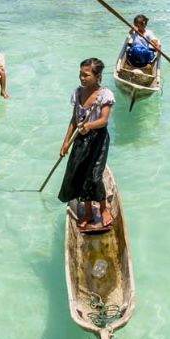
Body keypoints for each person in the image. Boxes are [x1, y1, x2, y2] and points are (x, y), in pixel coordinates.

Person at [58, 58, 115, 232]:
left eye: (86, 75)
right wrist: (66, 141)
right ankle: (89, 212)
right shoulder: (78, 92)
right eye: (80, 74)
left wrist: (88, 126)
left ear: (97, 76)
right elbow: (74, 120)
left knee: (95, 176)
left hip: (98, 139)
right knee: (80, 174)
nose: (82, 78)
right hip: (81, 139)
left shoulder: (105, 94)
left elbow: (104, 121)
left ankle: (104, 209)